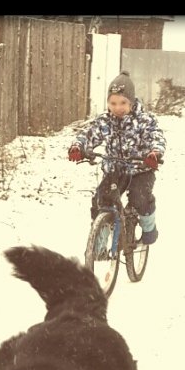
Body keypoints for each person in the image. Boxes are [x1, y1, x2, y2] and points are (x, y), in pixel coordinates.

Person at [68, 71, 166, 245]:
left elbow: (156, 137)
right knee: (101, 200)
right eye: (113, 103)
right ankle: (99, 243)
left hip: (140, 169)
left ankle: (149, 228)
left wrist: (154, 153)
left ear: (132, 102)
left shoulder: (144, 120)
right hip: (115, 170)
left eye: (123, 103)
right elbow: (89, 135)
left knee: (140, 198)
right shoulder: (105, 121)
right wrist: (78, 147)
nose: (117, 108)